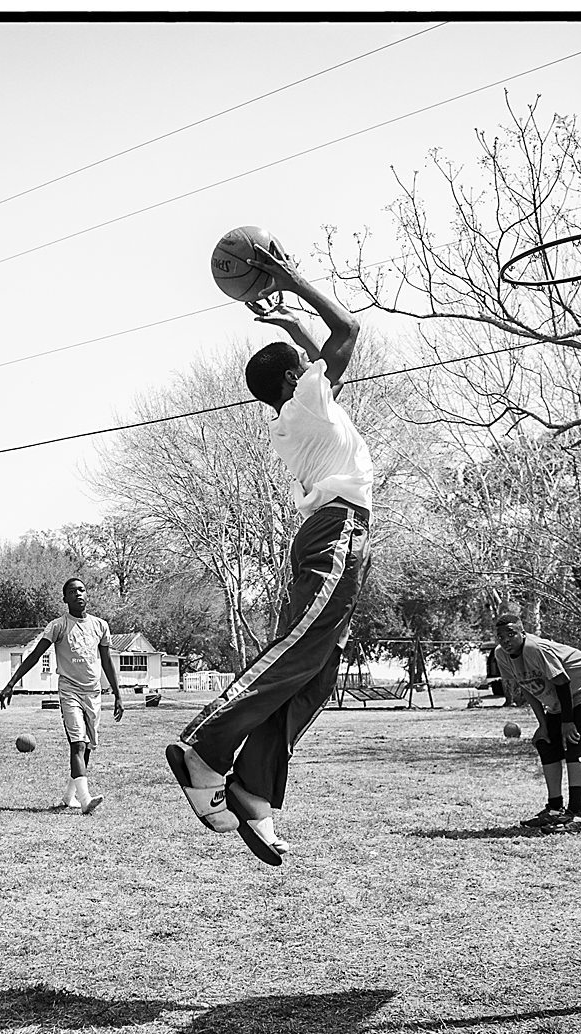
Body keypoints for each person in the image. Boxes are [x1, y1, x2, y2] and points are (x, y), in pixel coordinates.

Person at [165, 241, 372, 866]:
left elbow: (321, 353)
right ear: (294, 379)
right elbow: (348, 329)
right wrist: (290, 281)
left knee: (317, 674)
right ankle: (205, 745)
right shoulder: (309, 403)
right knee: (296, 654)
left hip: (339, 535)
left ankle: (253, 792)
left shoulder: (298, 413)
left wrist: (289, 328)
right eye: (304, 366)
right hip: (338, 534)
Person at [1, 578, 123, 814]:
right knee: (77, 743)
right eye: (72, 591)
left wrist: (118, 694)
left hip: (93, 693)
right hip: (69, 691)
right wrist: (11, 683)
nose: (78, 594)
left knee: (87, 747)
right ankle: (85, 800)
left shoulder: (100, 626)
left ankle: (69, 796)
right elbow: (35, 655)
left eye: (81, 590)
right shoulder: (58, 626)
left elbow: (107, 661)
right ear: (64, 599)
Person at [492, 613, 581, 835]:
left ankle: (575, 815)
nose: (506, 640)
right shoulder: (502, 655)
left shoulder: (535, 649)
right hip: (560, 699)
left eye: (511, 634)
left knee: (574, 742)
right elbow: (527, 688)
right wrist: (543, 724)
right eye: (500, 636)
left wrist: (567, 722)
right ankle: (555, 809)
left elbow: (563, 681)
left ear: (522, 633)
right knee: (546, 742)